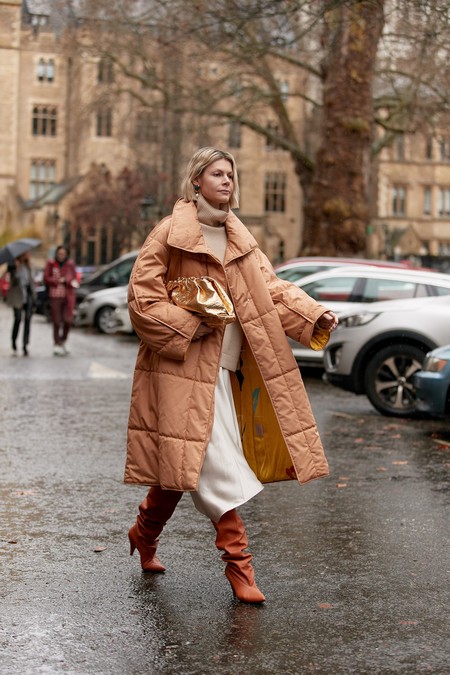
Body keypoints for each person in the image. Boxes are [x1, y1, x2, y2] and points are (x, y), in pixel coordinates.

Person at [124, 147, 338, 604]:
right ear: (196, 180)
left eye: (231, 174)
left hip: (228, 372)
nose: (227, 181)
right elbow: (142, 301)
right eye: (217, 173)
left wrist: (313, 314)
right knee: (217, 463)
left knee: (184, 463)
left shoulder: (241, 238)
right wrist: (193, 322)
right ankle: (239, 567)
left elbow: (271, 292)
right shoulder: (169, 233)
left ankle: (144, 533)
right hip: (182, 370)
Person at [43, 245, 78, 356]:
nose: (61, 256)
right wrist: (55, 281)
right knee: (57, 321)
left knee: (68, 320)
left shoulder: (70, 264)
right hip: (55, 296)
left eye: (63, 254)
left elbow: (74, 277)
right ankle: (57, 343)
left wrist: (66, 280)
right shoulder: (51, 263)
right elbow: (46, 278)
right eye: (59, 254)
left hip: (68, 296)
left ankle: (64, 340)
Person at [6, 252, 36, 356]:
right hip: (17, 296)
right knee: (18, 319)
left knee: (28, 319)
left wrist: (34, 295)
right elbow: (11, 281)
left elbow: (32, 281)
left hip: (28, 296)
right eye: (26, 253)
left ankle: (25, 345)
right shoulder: (13, 265)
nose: (28, 255)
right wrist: (16, 269)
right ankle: (14, 342)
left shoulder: (29, 266)